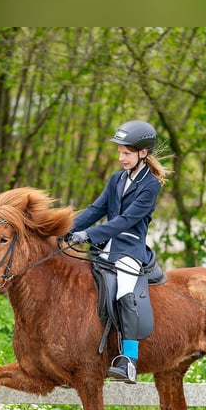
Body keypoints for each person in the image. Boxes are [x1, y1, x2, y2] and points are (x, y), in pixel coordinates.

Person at [69, 120, 172, 384]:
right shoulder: (116, 179)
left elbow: (126, 220)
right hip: (106, 247)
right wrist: (65, 229)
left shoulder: (151, 185)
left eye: (126, 153)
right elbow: (95, 210)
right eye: (120, 152)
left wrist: (89, 234)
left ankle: (129, 360)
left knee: (125, 290)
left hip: (129, 248)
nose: (121, 158)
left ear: (143, 153)